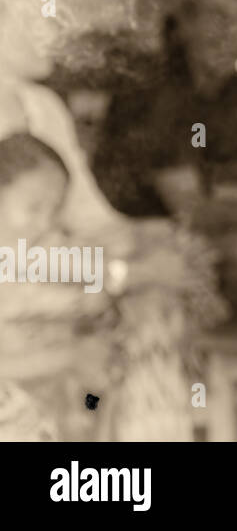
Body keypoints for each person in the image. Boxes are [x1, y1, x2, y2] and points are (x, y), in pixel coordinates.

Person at [0, 132, 114, 440]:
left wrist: (94, 290)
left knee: (95, 390)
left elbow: (92, 269)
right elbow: (15, 301)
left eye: (53, 211)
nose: (45, 222)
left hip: (54, 378)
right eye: (34, 208)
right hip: (12, 382)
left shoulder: (44, 247)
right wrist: (75, 302)